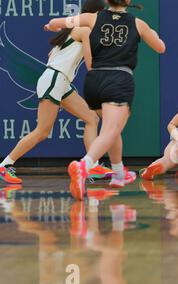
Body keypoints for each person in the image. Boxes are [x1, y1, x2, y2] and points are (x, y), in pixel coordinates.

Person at [45, 0, 166, 200]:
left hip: (93, 81)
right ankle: (84, 166)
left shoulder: (91, 18)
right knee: (111, 129)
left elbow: (57, 22)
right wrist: (153, 33)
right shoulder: (138, 23)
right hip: (118, 79)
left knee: (112, 128)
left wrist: (51, 26)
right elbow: (161, 48)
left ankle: (118, 172)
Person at [0, 0, 111, 185]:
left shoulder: (71, 31)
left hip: (60, 82)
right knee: (42, 132)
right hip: (55, 80)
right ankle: (5, 164)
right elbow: (91, 66)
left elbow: (53, 55)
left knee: (92, 118)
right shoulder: (84, 31)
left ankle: (92, 166)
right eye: (101, 15)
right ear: (95, 13)